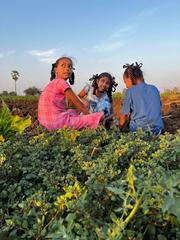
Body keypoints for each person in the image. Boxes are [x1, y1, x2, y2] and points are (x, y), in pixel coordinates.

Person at [38, 57, 103, 130]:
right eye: (63, 65)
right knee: (100, 116)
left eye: (70, 66)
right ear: (55, 69)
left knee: (71, 111)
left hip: (44, 123)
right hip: (56, 124)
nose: (67, 68)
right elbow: (80, 105)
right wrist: (91, 118)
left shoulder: (52, 83)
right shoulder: (61, 83)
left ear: (72, 70)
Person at [119, 62, 164, 135]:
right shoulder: (154, 88)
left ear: (129, 78)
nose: (126, 86)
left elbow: (123, 117)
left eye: (125, 82)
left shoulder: (129, 91)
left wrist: (120, 128)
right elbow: (158, 108)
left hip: (140, 132)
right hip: (158, 130)